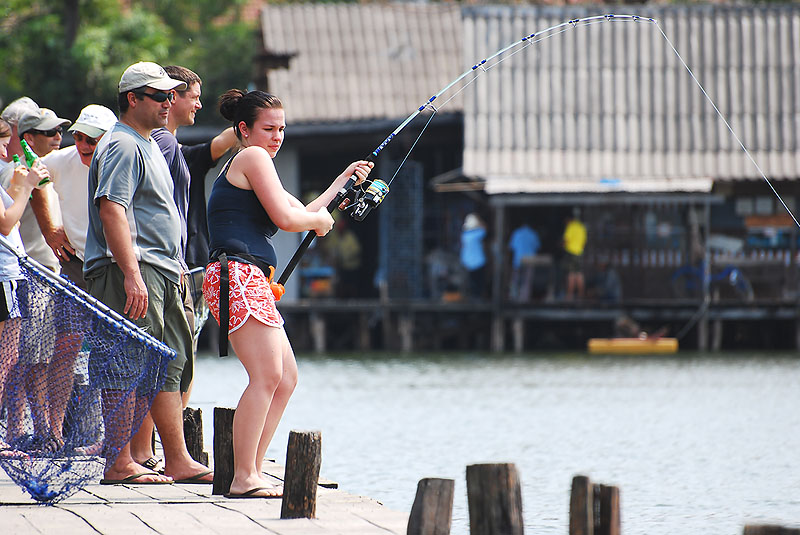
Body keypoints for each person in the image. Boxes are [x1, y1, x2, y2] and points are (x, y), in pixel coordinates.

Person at [202, 89, 373, 498]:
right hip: (236, 275)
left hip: (251, 279)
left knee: (286, 378)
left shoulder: (258, 164)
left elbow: (304, 210)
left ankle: (253, 470)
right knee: (267, 376)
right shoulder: (251, 157)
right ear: (243, 130)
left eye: (281, 128)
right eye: (268, 128)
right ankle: (244, 477)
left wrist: (340, 183)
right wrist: (318, 222)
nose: (277, 137)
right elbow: (288, 218)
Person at [84, 61, 212, 485]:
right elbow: (112, 209)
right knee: (124, 362)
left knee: (168, 361)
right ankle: (118, 462)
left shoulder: (148, 144)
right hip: (132, 271)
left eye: (171, 94)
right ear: (133, 99)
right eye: (159, 95)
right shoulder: (122, 144)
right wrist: (132, 273)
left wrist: (169, 266)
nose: (168, 102)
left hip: (160, 269)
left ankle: (175, 457)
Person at [37, 104, 117, 451]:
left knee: (116, 351)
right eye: (79, 136)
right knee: (66, 347)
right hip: (76, 264)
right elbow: (32, 175)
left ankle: (116, 439)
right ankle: (54, 432)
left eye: (93, 139)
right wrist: (50, 229)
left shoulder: (122, 160)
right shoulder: (62, 160)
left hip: (116, 266)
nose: (84, 144)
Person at [0, 118, 51, 456]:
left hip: (11, 275)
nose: (6, 149)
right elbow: (6, 223)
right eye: (2, 141)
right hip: (4, 277)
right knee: (6, 359)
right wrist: (26, 187)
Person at [507, 223, 540, 302]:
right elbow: (537, 246)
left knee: (516, 279)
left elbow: (511, 247)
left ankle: (513, 296)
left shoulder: (516, 233)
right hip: (529, 260)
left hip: (517, 260)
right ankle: (524, 298)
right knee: (527, 281)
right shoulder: (533, 233)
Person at [459, 212, 487, 299]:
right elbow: (484, 229)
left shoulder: (464, 235)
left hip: (467, 262)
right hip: (478, 262)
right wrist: (479, 221)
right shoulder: (478, 233)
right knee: (478, 282)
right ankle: (477, 297)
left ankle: (472, 297)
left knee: (470, 282)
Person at [562, 211, 587, 300]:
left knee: (571, 274)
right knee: (579, 274)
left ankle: (569, 295)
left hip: (571, 252)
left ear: (569, 220)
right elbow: (584, 242)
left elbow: (566, 241)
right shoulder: (581, 227)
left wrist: (562, 245)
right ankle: (581, 295)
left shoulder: (571, 226)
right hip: (579, 252)